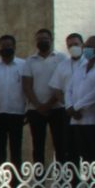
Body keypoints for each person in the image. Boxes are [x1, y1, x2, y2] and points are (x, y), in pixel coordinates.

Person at [23, 29, 67, 164]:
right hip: (35, 110)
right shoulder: (30, 61)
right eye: (39, 39)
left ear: (51, 39)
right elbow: (27, 85)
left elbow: (62, 84)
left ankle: (62, 178)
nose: (42, 41)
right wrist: (38, 105)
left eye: (45, 38)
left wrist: (49, 104)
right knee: (38, 146)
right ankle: (39, 179)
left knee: (60, 144)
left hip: (57, 108)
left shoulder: (61, 58)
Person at [46, 33, 87, 164]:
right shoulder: (62, 65)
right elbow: (56, 87)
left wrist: (79, 105)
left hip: (86, 111)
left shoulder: (89, 64)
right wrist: (68, 104)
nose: (73, 47)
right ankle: (70, 180)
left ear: (82, 45)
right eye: (70, 45)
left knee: (85, 145)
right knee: (67, 145)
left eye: (75, 44)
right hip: (67, 111)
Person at [0, 35, 26, 165]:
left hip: (17, 113)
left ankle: (16, 180)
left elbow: (27, 88)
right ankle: (1, 178)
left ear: (14, 47)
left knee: (16, 148)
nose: (6, 49)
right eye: (3, 47)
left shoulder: (23, 65)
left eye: (9, 46)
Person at [65, 37, 95, 162]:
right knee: (77, 154)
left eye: (91, 46)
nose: (87, 49)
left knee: (93, 155)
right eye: (86, 46)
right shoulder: (80, 68)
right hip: (75, 120)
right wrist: (69, 107)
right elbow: (69, 89)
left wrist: (77, 107)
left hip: (91, 118)